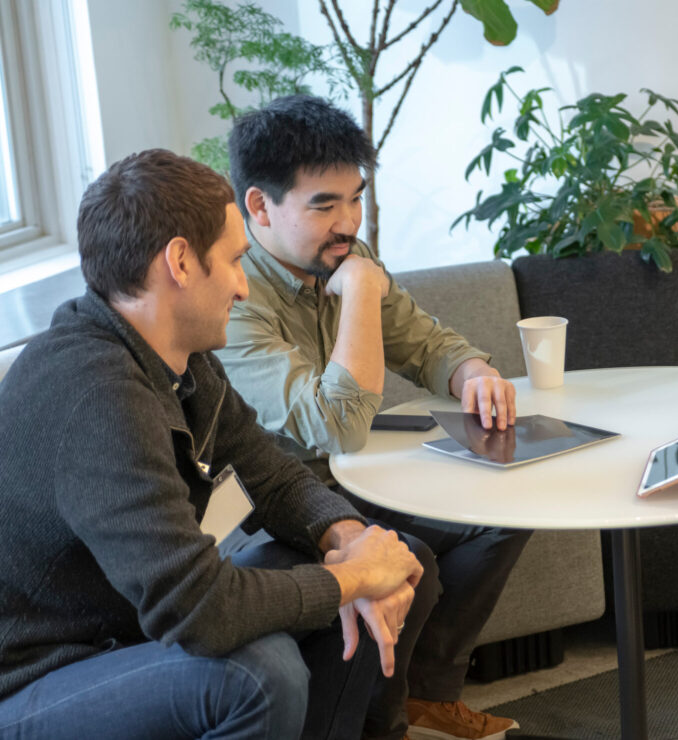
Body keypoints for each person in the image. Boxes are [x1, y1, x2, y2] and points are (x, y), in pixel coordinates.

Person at [0, 149, 426, 739]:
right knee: (258, 675)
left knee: (397, 554)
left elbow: (268, 475)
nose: (245, 288)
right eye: (233, 261)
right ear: (180, 261)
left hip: (124, 633)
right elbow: (198, 610)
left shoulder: (182, 357)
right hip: (36, 679)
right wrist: (353, 579)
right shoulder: (94, 394)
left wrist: (353, 543)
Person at [214, 95, 531, 740]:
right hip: (274, 502)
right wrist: (360, 289)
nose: (348, 221)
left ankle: (428, 699)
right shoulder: (237, 297)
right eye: (323, 205)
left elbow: (427, 342)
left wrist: (473, 372)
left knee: (504, 508)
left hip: (358, 475)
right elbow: (338, 424)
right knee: (409, 557)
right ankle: (383, 726)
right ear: (258, 206)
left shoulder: (341, 257)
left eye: (355, 198)